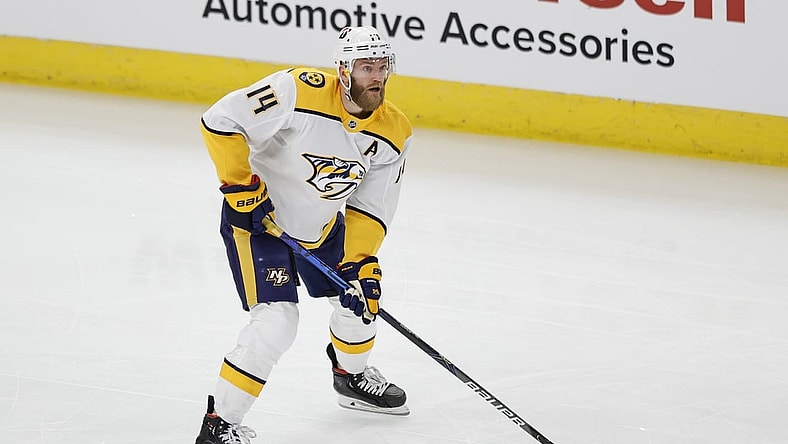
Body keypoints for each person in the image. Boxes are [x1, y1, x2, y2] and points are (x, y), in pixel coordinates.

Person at [194, 26, 412, 444]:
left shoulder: (393, 132)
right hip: (261, 226)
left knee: (360, 298)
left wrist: (362, 259)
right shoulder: (297, 90)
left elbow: (370, 206)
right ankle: (219, 426)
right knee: (278, 321)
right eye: (367, 67)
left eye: (382, 66)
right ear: (344, 70)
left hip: (324, 228)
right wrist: (240, 186)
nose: (377, 76)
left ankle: (351, 377)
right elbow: (220, 122)